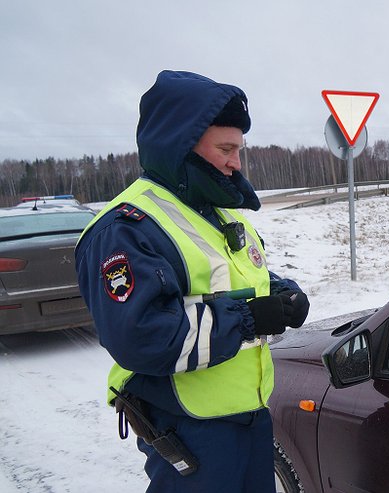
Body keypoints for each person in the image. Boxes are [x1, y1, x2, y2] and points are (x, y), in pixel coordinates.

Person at [75, 70, 309, 492]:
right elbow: (141, 337)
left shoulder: (218, 210)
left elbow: (239, 273)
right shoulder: (128, 228)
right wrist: (250, 318)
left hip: (249, 413)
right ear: (180, 144)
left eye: (240, 149)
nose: (236, 162)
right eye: (225, 148)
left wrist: (280, 291)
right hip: (188, 426)